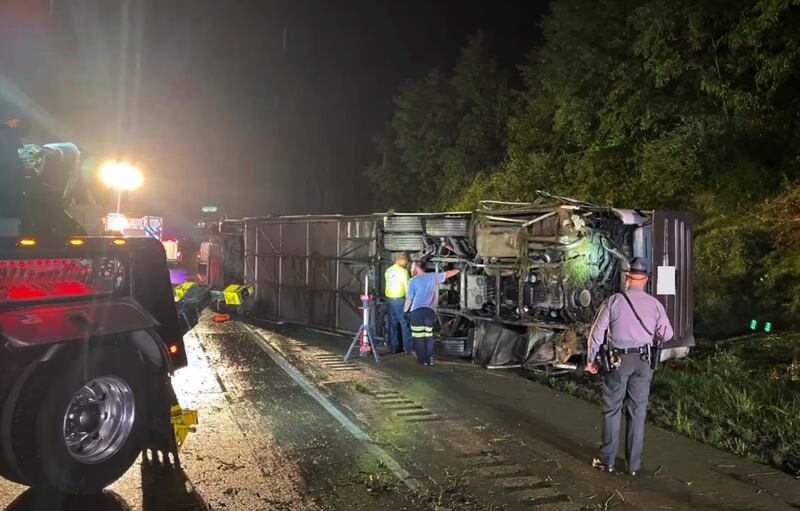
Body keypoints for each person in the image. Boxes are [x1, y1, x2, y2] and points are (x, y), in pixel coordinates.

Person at [585, 257, 673, 476]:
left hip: (617, 361)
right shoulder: (655, 305)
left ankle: (608, 462)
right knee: (637, 411)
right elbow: (667, 334)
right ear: (645, 280)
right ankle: (633, 466)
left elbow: (596, 334)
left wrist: (591, 359)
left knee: (612, 410)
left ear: (627, 277)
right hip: (643, 362)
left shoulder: (613, 301)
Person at [404, 259, 460, 366]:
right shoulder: (433, 277)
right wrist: (459, 270)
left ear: (416, 267)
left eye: (412, 267)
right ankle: (429, 359)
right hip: (430, 312)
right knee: (428, 335)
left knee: (418, 336)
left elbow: (409, 299)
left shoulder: (412, 281)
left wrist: (405, 311)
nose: (411, 268)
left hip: (417, 311)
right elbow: (447, 274)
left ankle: (422, 360)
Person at [385, 252, 412, 354]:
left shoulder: (388, 270)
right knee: (404, 324)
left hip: (389, 299)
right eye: (406, 261)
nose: (406, 263)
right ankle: (407, 348)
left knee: (393, 324)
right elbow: (408, 288)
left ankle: (395, 347)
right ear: (403, 260)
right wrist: (410, 300)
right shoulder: (403, 272)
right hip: (399, 300)